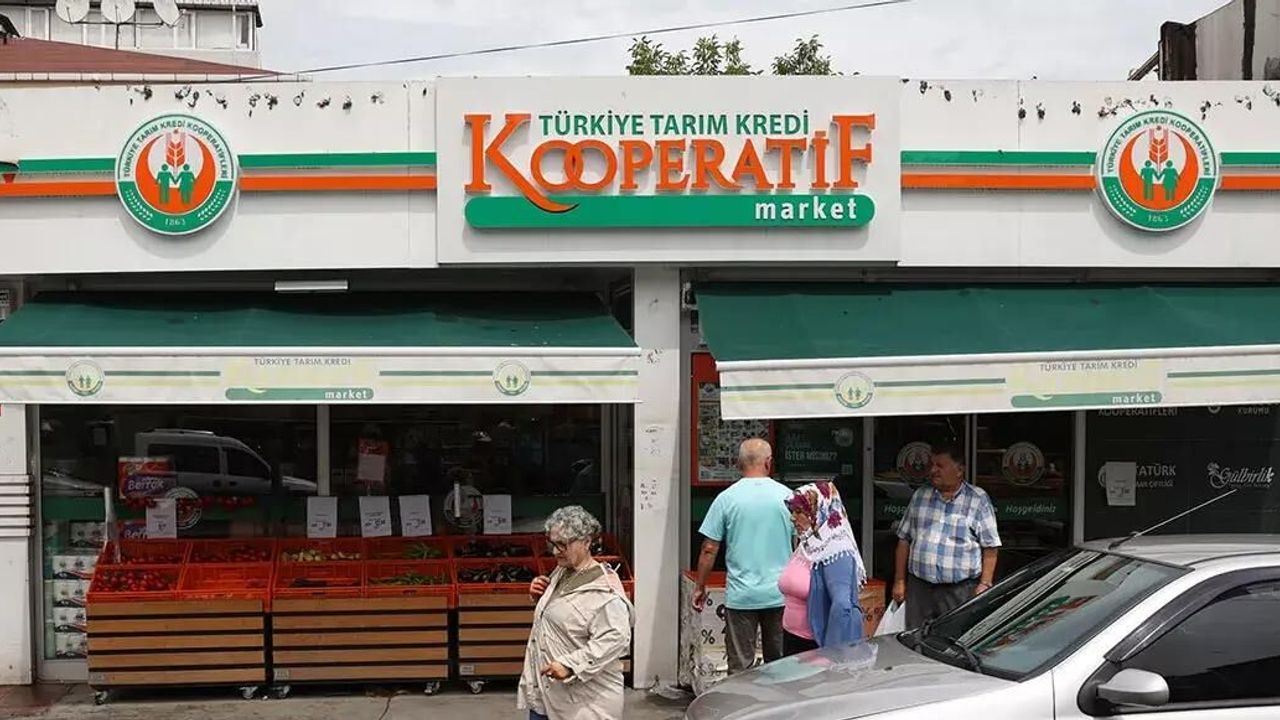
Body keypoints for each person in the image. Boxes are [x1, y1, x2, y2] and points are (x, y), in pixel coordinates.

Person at [519, 506, 633, 720]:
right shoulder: (563, 571)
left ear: (586, 541)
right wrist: (540, 596)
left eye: (563, 544)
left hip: (584, 705)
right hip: (548, 695)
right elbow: (566, 614)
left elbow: (616, 638)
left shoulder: (606, 592)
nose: (555, 551)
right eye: (552, 544)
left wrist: (570, 665)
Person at [692, 438, 793, 674]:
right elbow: (802, 543)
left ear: (738, 464)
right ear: (769, 462)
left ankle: (740, 699)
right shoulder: (788, 497)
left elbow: (709, 548)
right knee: (781, 667)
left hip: (741, 596)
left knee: (739, 670)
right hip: (780, 595)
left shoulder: (726, 499)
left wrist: (700, 586)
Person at [892, 441, 1001, 630]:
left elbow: (990, 547)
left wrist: (984, 584)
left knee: (953, 639)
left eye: (940, 465)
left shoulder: (977, 499)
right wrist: (899, 581)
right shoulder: (920, 496)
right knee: (914, 637)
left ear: (959, 470)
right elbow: (904, 540)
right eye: (932, 465)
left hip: (959, 590)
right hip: (920, 589)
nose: (933, 470)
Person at [778, 481, 867, 655]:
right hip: (794, 640)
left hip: (815, 647)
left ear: (820, 511)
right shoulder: (810, 544)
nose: (792, 518)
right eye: (792, 512)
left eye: (799, 512)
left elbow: (842, 606)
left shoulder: (836, 551)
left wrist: (830, 654)